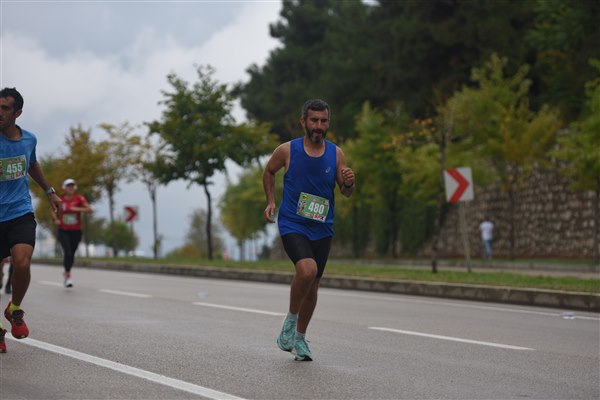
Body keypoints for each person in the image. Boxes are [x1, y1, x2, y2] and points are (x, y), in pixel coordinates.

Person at [263, 99, 355, 361]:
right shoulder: (287, 150)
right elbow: (269, 172)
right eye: (314, 120)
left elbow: (346, 192)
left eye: (323, 121)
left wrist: (349, 183)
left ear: (328, 123)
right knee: (307, 270)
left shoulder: (336, 154)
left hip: (322, 226)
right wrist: (271, 201)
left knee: (313, 285)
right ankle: (290, 323)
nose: (318, 126)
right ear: (303, 121)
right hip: (293, 222)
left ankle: (300, 338)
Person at [0, 87, 61, 353]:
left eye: (4, 108)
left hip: (19, 211)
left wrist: (50, 192)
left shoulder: (29, 140)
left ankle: (14, 309)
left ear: (18, 113)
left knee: (22, 262)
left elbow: (32, 164)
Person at [54, 178, 92, 287]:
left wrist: (75, 209)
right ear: (64, 188)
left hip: (76, 231)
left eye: (72, 186)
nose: (70, 188)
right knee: (68, 252)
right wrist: (56, 219)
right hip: (63, 230)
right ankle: (68, 275)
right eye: (68, 186)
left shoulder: (79, 198)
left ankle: (67, 271)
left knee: (72, 254)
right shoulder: (60, 199)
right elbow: (53, 210)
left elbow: (89, 210)